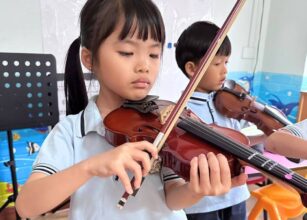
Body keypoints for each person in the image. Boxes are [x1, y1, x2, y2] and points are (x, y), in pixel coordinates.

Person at [15, 1, 246, 219]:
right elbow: (26, 205)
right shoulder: (71, 132)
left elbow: (172, 197)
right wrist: (91, 166)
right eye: (127, 52)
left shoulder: (162, 123)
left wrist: (196, 190)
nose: (144, 65)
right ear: (89, 58)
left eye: (154, 54)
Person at [175, 21, 250, 220]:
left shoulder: (228, 105)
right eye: (217, 63)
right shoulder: (180, 111)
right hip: (202, 203)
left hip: (236, 195)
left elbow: (241, 141)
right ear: (192, 68)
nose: (224, 71)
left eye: (226, 62)